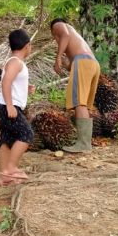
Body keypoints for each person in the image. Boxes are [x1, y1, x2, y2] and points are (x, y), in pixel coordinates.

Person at [50, 19, 100, 153]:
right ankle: (85, 142)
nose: (55, 38)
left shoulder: (59, 25)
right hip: (93, 64)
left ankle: (83, 144)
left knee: (79, 103)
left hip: (83, 62)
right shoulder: (76, 41)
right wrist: (65, 63)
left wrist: (58, 57)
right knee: (83, 104)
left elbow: (65, 34)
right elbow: (72, 65)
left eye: (54, 35)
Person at [0, 29, 35, 186]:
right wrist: (10, 106)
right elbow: (6, 82)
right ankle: (11, 168)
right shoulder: (16, 63)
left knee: (8, 140)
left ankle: (4, 175)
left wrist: (26, 88)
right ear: (27, 46)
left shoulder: (15, 62)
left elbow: (13, 83)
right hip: (7, 106)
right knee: (26, 134)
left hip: (4, 105)